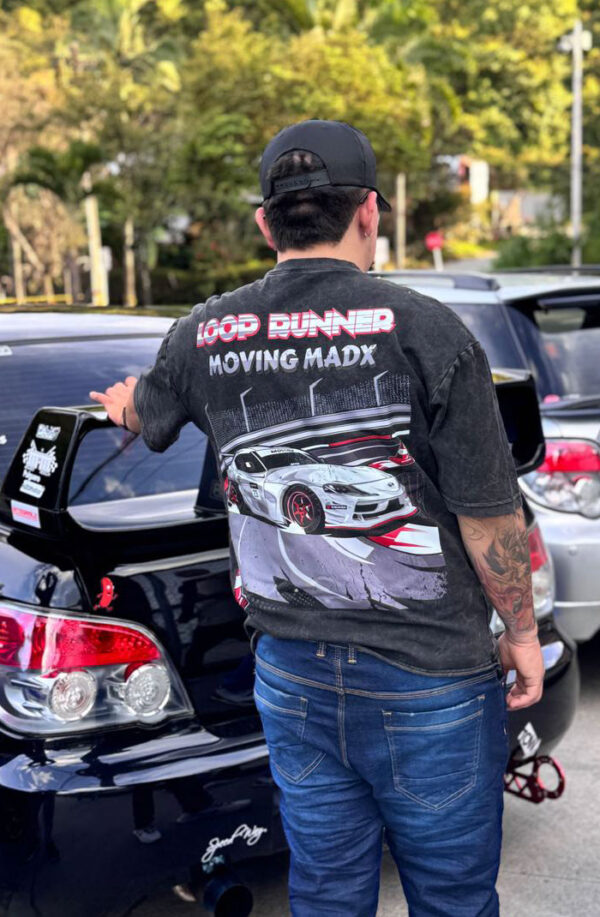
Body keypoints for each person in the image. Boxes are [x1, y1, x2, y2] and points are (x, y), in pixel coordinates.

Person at [91, 119, 544, 917]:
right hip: (430, 677)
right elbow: (488, 516)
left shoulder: (205, 332)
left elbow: (147, 415)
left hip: (291, 673)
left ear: (265, 224)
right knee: (453, 899)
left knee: (328, 894)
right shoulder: (429, 329)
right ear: (369, 211)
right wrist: (522, 632)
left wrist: (124, 404)